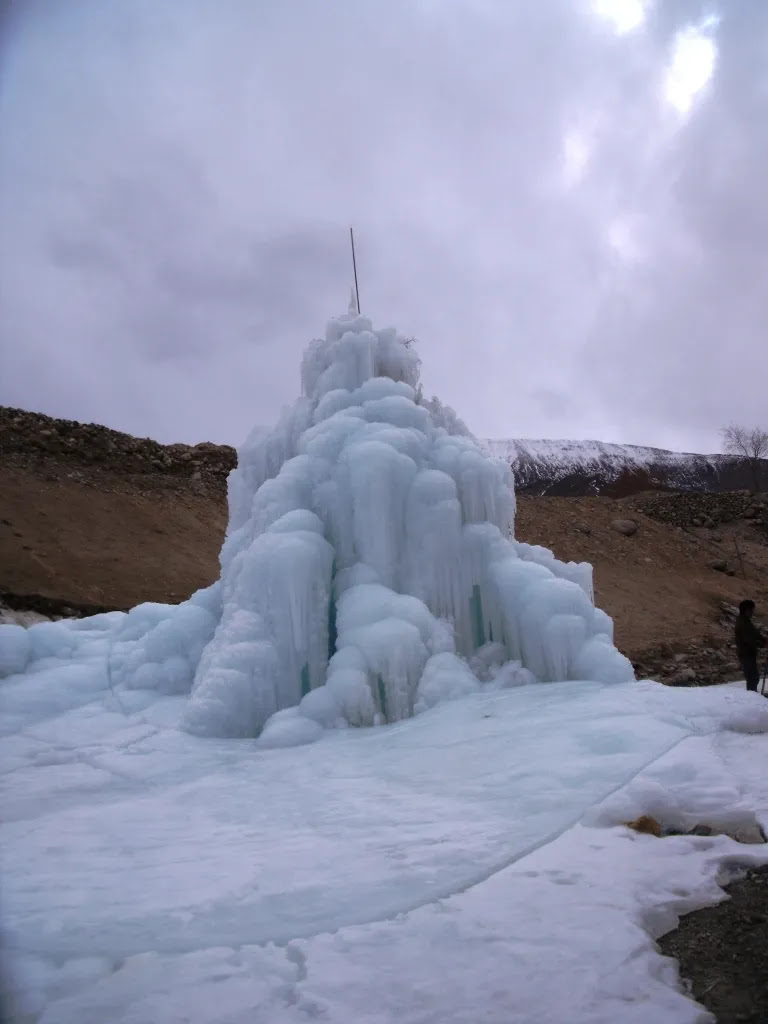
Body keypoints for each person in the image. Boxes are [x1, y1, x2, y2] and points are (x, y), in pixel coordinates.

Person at [734, 599, 766, 692]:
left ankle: (752, 696)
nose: (752, 612)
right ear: (746, 610)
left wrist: (763, 639)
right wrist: (763, 644)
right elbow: (749, 640)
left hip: (749, 654)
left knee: (754, 677)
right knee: (752, 678)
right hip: (746, 654)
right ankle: (751, 698)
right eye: (751, 610)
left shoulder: (746, 621)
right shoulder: (742, 623)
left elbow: (754, 634)